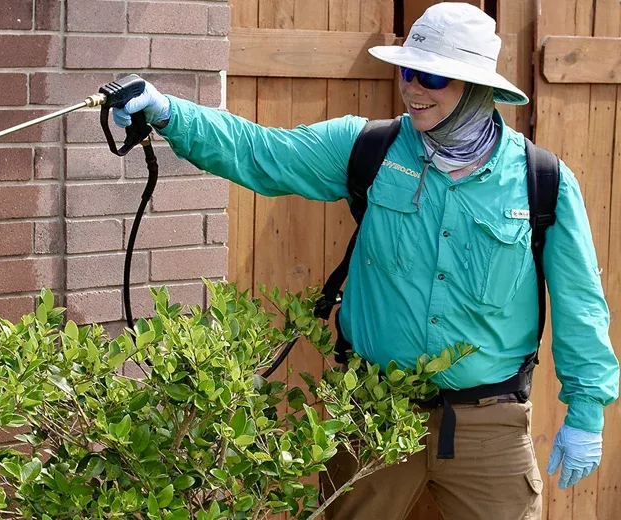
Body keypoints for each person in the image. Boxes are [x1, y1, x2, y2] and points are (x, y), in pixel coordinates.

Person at [113, 3, 619, 519]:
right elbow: (263, 152)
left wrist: (586, 412)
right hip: (372, 414)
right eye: (407, 70)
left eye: (432, 76)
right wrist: (167, 112)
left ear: (475, 88)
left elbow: (581, 305)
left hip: (489, 427)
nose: (412, 87)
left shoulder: (543, 181)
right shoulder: (369, 148)